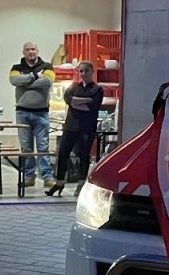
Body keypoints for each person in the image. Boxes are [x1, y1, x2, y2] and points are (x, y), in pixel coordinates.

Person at [47, 62, 106, 197]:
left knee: (83, 155)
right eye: (81, 71)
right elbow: (68, 99)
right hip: (70, 126)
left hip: (86, 128)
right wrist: (86, 101)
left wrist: (76, 102)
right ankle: (59, 182)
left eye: (86, 71)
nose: (83, 74)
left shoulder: (97, 90)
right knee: (63, 153)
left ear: (92, 72)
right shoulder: (73, 87)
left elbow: (93, 107)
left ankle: (81, 184)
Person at [10, 41, 56, 191]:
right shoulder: (16, 68)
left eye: (33, 49)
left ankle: (47, 177)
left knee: (43, 146)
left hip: (41, 113)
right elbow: (14, 80)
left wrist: (27, 82)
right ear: (23, 52)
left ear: (37, 50)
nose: (31, 52)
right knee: (26, 148)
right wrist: (35, 76)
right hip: (22, 113)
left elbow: (48, 81)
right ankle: (29, 176)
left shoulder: (47, 67)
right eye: (28, 50)